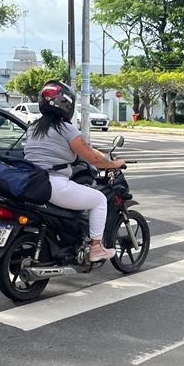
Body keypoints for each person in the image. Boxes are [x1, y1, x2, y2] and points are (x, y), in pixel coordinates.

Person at [23, 80, 125, 262]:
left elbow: (89, 151)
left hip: (31, 181)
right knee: (99, 200)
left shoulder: (34, 128)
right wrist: (113, 164)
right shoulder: (66, 129)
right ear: (66, 104)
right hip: (54, 184)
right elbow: (91, 157)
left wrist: (102, 157)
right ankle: (96, 248)